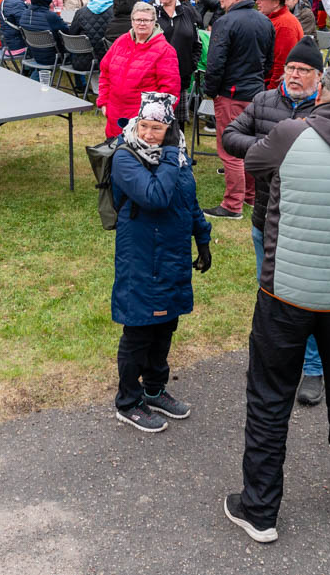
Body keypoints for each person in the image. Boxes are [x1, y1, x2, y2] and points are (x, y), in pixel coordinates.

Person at [226, 63, 330, 544]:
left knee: (270, 398)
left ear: (323, 92)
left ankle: (259, 510)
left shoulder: (292, 132)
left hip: (287, 292)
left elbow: (253, 162)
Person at [221, 38, 327, 404]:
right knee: (268, 294)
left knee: (307, 297)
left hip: (308, 221)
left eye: (304, 71)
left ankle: (313, 370)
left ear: (319, 77)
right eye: (291, 69)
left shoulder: (329, 108)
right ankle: (273, 362)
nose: (295, 76)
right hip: (265, 215)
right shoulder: (266, 100)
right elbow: (229, 135)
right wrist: (269, 150)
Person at [108, 92, 210, 432]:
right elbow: (155, 197)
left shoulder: (177, 159)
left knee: (165, 326)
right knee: (139, 329)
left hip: (172, 258)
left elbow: (188, 201)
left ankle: (154, 389)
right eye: (145, 126)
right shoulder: (126, 158)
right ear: (136, 124)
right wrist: (169, 156)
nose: (150, 134)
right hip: (141, 260)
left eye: (158, 128)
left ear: (170, 128)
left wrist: (203, 238)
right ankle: (127, 400)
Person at [201, 0, 275, 221]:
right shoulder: (265, 21)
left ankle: (233, 204)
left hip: (231, 93)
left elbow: (215, 62)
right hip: (256, 92)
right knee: (251, 146)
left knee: (230, 149)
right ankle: (250, 196)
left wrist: (211, 90)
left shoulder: (225, 22)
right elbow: (269, 61)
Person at [96, 2, 181, 139]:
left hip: (143, 120)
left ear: (154, 22)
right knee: (113, 153)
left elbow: (169, 90)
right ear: (132, 21)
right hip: (114, 114)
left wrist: (152, 121)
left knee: (135, 157)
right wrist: (103, 102)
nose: (142, 24)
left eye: (146, 20)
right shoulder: (121, 42)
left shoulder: (164, 50)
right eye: (138, 20)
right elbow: (105, 73)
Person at [153, 0, 201, 96]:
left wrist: (191, 65)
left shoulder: (188, 10)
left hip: (181, 79)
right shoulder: (149, 10)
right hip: (154, 80)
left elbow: (197, 43)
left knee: (179, 116)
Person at [253, 0, 302, 91]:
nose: (257, 2)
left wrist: (271, 91)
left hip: (272, 88)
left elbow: (282, 64)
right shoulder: (276, 20)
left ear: (275, 2)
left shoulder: (285, 25)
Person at [17, 0, 72, 76]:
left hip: (34, 54)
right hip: (54, 56)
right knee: (75, 50)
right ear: (47, 0)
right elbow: (67, 32)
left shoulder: (25, 14)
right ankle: (81, 85)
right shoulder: (50, 16)